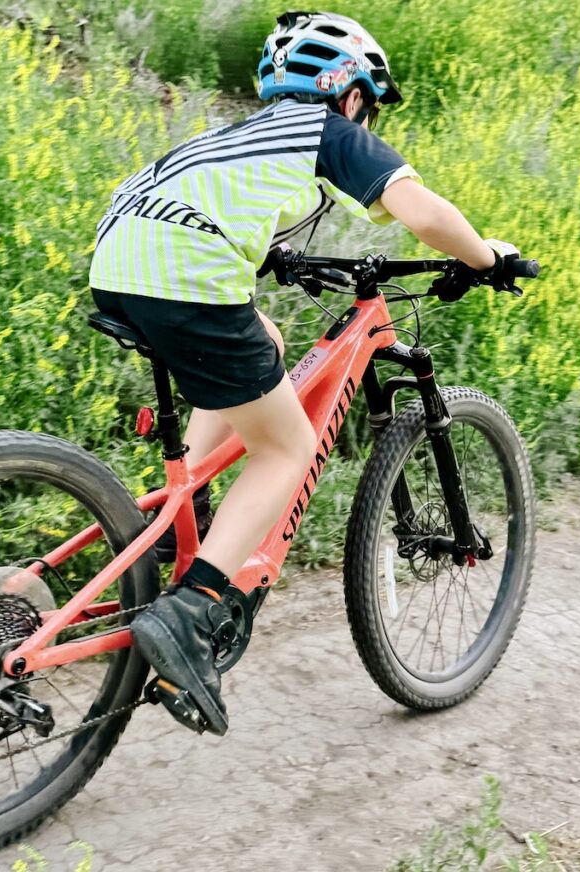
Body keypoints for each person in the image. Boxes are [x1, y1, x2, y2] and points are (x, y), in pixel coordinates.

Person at [88, 11, 518, 736]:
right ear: (350, 92)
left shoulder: (235, 135)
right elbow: (425, 212)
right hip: (187, 273)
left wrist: (272, 258)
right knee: (284, 446)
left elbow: (199, 208)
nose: (367, 118)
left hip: (119, 260)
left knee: (262, 336)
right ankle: (190, 613)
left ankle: (176, 514)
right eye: (368, 105)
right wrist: (488, 258)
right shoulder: (328, 130)